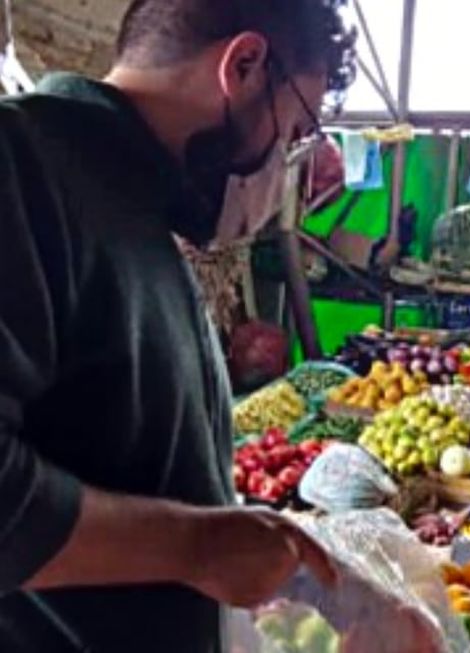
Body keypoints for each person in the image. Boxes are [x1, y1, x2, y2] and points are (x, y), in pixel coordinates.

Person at [0, 1, 360, 651]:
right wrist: (195, 545)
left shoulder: (138, 217)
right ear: (244, 65)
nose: (287, 164)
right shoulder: (21, 166)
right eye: (294, 133)